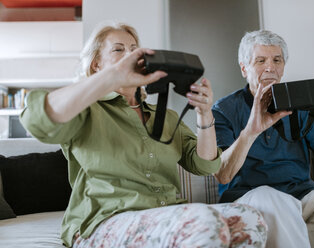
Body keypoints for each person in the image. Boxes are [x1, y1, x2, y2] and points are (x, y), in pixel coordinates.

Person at [20, 22, 267, 248]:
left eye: (133, 49)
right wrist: (113, 76)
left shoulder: (166, 117)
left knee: (249, 219)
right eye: (118, 50)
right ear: (97, 64)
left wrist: (204, 114)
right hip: (103, 221)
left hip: (165, 214)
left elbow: (204, 164)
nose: (129, 55)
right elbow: (36, 120)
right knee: (202, 220)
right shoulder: (86, 109)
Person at [212, 29, 314, 248]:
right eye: (260, 60)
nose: (270, 67)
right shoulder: (224, 110)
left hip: (302, 197)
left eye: (277, 60)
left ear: (283, 66)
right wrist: (250, 132)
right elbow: (222, 174)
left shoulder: (300, 105)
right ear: (244, 68)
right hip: (250, 198)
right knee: (273, 199)